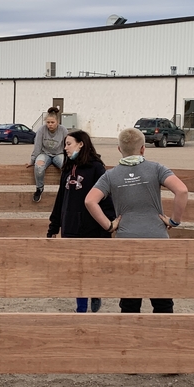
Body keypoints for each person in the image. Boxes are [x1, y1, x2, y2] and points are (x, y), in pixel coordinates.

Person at [85, 127, 188, 313]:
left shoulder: (110, 175)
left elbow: (90, 201)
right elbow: (182, 191)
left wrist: (109, 225)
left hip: (127, 241)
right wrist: (174, 221)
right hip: (157, 239)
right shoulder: (157, 168)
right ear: (143, 148)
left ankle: (131, 339)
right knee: (162, 301)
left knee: (130, 302)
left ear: (119, 149)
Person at [47, 130, 115, 312]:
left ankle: (95, 292)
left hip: (92, 227)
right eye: (65, 144)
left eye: (69, 144)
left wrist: (107, 225)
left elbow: (107, 199)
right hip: (70, 226)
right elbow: (60, 199)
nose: (65, 148)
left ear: (81, 144)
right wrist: (54, 225)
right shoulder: (68, 168)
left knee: (92, 266)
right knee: (77, 270)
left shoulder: (97, 168)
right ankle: (81, 308)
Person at [26, 106, 67, 203]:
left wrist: (70, 160)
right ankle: (39, 189)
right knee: (39, 166)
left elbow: (67, 145)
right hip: (45, 154)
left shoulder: (63, 130)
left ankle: (65, 189)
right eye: (48, 122)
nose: (50, 125)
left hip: (59, 154)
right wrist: (32, 160)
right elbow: (37, 146)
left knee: (65, 166)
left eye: (52, 122)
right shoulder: (41, 130)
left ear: (58, 122)